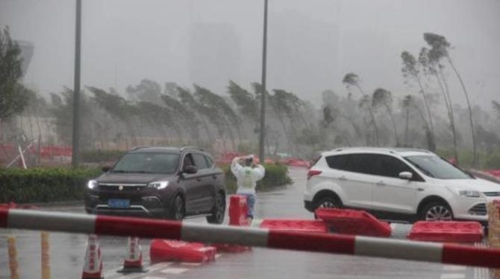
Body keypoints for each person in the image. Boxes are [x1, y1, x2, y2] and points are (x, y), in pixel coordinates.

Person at [231, 155, 265, 221]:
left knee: (240, 211)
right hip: (251, 193)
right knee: (250, 212)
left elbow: (233, 163)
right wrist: (255, 164)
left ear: (244, 163)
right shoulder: (255, 172)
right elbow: (262, 170)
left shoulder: (239, 170)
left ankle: (240, 226)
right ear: (251, 163)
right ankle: (248, 225)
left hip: (240, 194)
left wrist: (239, 158)